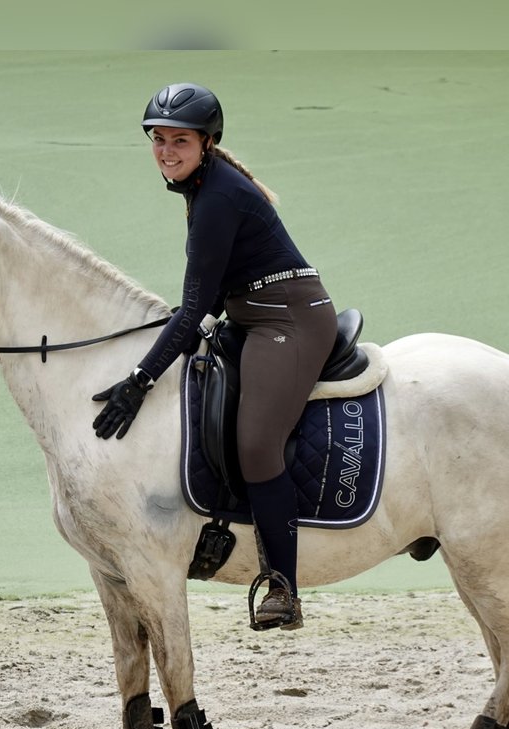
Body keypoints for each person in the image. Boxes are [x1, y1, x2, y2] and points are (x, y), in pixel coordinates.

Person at [92, 82, 337, 631]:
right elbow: (205, 302)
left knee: (256, 442)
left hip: (287, 320)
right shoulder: (203, 190)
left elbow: (194, 306)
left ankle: (283, 587)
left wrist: (139, 380)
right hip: (250, 315)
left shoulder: (217, 198)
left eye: (179, 140)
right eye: (158, 140)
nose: (166, 151)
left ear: (206, 143)